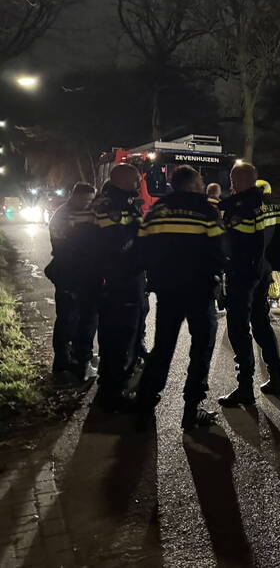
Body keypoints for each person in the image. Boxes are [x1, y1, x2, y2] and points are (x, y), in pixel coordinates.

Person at [135, 165, 226, 431]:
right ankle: (191, 408)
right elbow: (219, 249)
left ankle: (145, 402)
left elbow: (142, 247)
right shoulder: (206, 210)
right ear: (194, 184)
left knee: (163, 346)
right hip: (199, 289)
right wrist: (218, 275)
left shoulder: (158, 209)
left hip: (168, 289)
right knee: (201, 349)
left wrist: (154, 275)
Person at [218, 163, 280, 407]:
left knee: (238, 328)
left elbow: (231, 244)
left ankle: (245, 387)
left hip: (243, 275)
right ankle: (276, 377)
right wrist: (269, 267)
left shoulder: (241, 209)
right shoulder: (273, 206)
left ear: (235, 181)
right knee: (261, 323)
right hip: (263, 273)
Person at [80, 165, 148, 409]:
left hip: (125, 278)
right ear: (125, 180)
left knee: (121, 334)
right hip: (121, 280)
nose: (139, 183)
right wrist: (142, 237)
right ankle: (114, 392)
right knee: (120, 335)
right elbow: (117, 244)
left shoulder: (118, 201)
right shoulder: (110, 206)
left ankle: (113, 385)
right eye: (136, 180)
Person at [44, 182, 96, 376]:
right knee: (67, 318)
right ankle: (62, 360)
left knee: (78, 317)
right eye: (87, 200)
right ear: (75, 196)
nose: (89, 203)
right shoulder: (63, 216)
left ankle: (72, 356)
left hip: (78, 274)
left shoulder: (81, 213)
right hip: (68, 273)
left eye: (92, 200)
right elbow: (63, 248)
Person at [256, 180, 280, 308]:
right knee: (271, 270)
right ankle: (273, 297)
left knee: (269, 270)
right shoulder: (275, 205)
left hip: (264, 241)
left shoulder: (260, 204)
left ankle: (273, 297)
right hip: (271, 241)